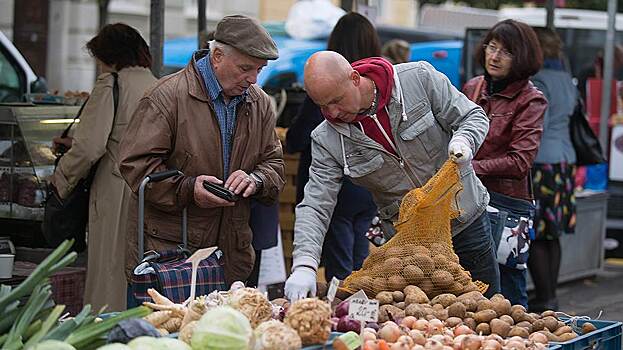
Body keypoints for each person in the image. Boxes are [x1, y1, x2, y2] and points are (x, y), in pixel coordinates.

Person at [284, 50, 500, 301]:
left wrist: (465, 139)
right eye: (322, 105)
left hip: (466, 219)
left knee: (488, 309)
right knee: (423, 323)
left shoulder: (418, 79)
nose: (332, 112)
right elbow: (315, 204)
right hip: (410, 245)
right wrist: (305, 264)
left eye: (337, 100)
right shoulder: (326, 139)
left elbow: (472, 116)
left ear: (355, 78)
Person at [118, 15, 285, 303]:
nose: (253, 79)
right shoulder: (165, 97)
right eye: (246, 68)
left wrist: (255, 180)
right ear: (217, 56)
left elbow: (274, 164)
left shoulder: (259, 103)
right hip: (170, 259)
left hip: (230, 256)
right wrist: (188, 188)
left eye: (259, 69)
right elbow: (137, 167)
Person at [50, 23, 157, 311]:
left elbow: (90, 147)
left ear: (108, 56)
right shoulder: (159, 85)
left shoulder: (111, 84)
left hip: (115, 188)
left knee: (109, 270)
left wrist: (60, 180)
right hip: (152, 191)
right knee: (140, 268)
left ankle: (105, 330)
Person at [286, 12, 379, 281]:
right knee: (360, 262)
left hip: (337, 193)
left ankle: (344, 310)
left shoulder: (325, 89)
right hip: (368, 190)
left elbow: (296, 139)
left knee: (339, 270)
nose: (333, 112)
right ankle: (360, 311)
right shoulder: (378, 90)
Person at [462, 19, 547, 307]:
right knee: (468, 286)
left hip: (506, 207)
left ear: (521, 57)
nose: (494, 56)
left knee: (508, 291)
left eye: (506, 51)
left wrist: (471, 167)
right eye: (492, 47)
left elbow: (520, 161)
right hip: (469, 202)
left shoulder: (530, 100)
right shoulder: (473, 87)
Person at [528, 28, 578, 312]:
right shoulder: (566, 80)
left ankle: (545, 297)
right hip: (564, 161)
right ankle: (550, 295)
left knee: (535, 230)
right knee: (552, 232)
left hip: (541, 162)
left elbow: (537, 126)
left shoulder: (539, 82)